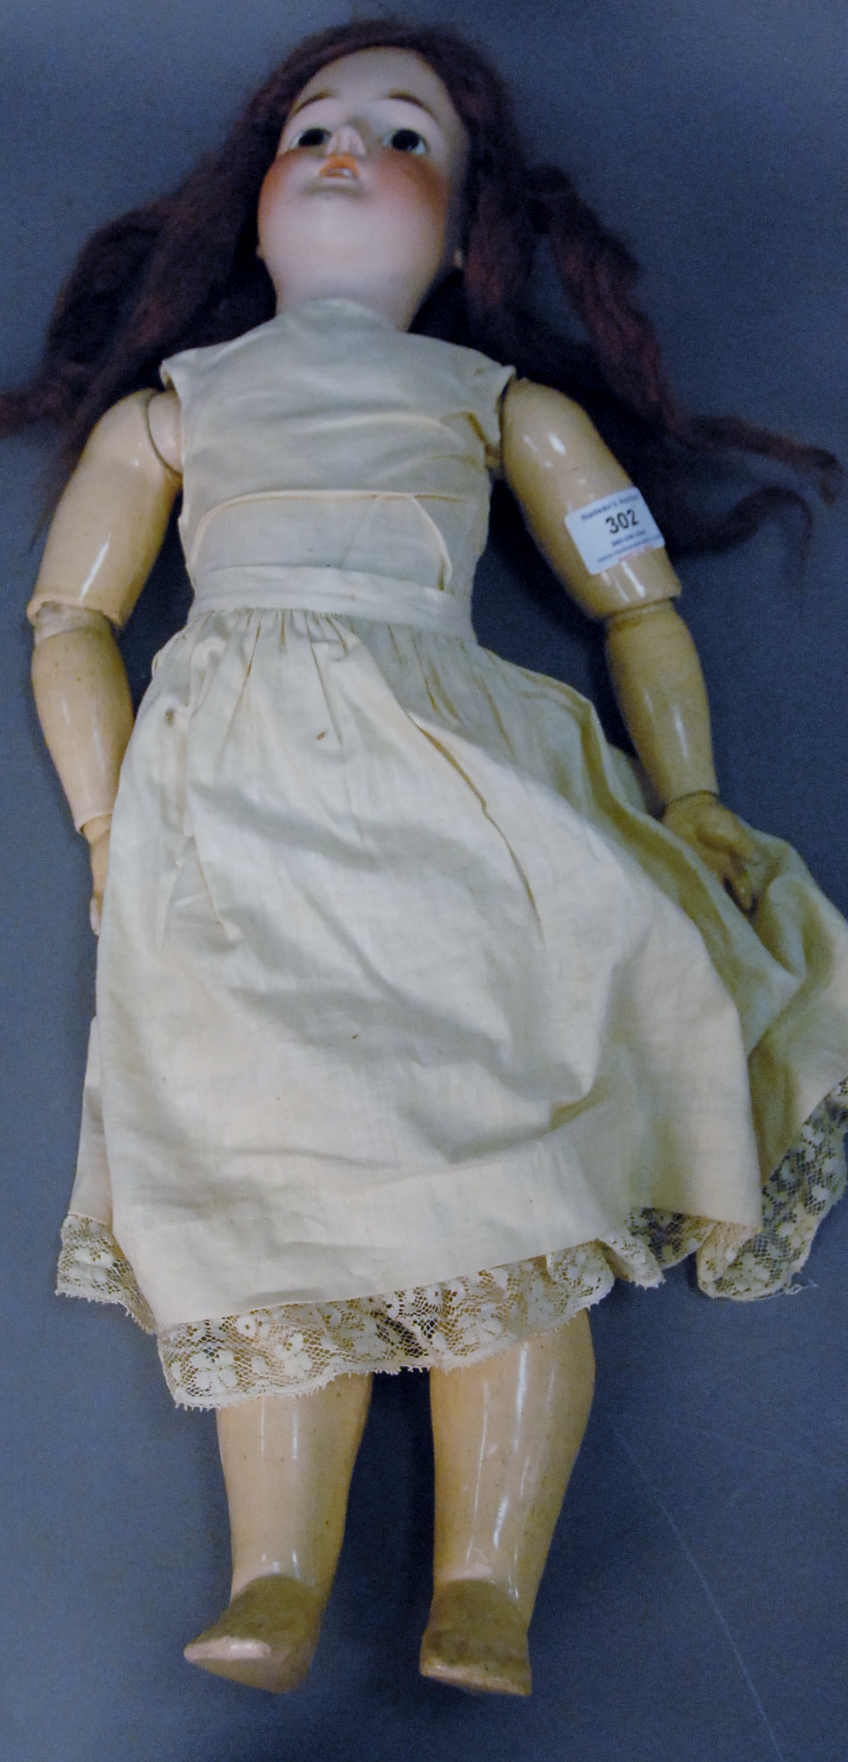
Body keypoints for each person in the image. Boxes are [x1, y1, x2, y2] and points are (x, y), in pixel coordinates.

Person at [9, 18, 848, 1699]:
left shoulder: (500, 403)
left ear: (469, 236)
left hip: (460, 793)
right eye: (314, 128)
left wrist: (689, 795)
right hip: (235, 811)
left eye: (406, 140)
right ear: (252, 203)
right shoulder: (180, 410)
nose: (348, 151)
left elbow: (638, 603)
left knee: (512, 1150)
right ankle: (276, 1566)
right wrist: (110, 822)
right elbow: (69, 622)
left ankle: (486, 1578)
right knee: (260, 1177)